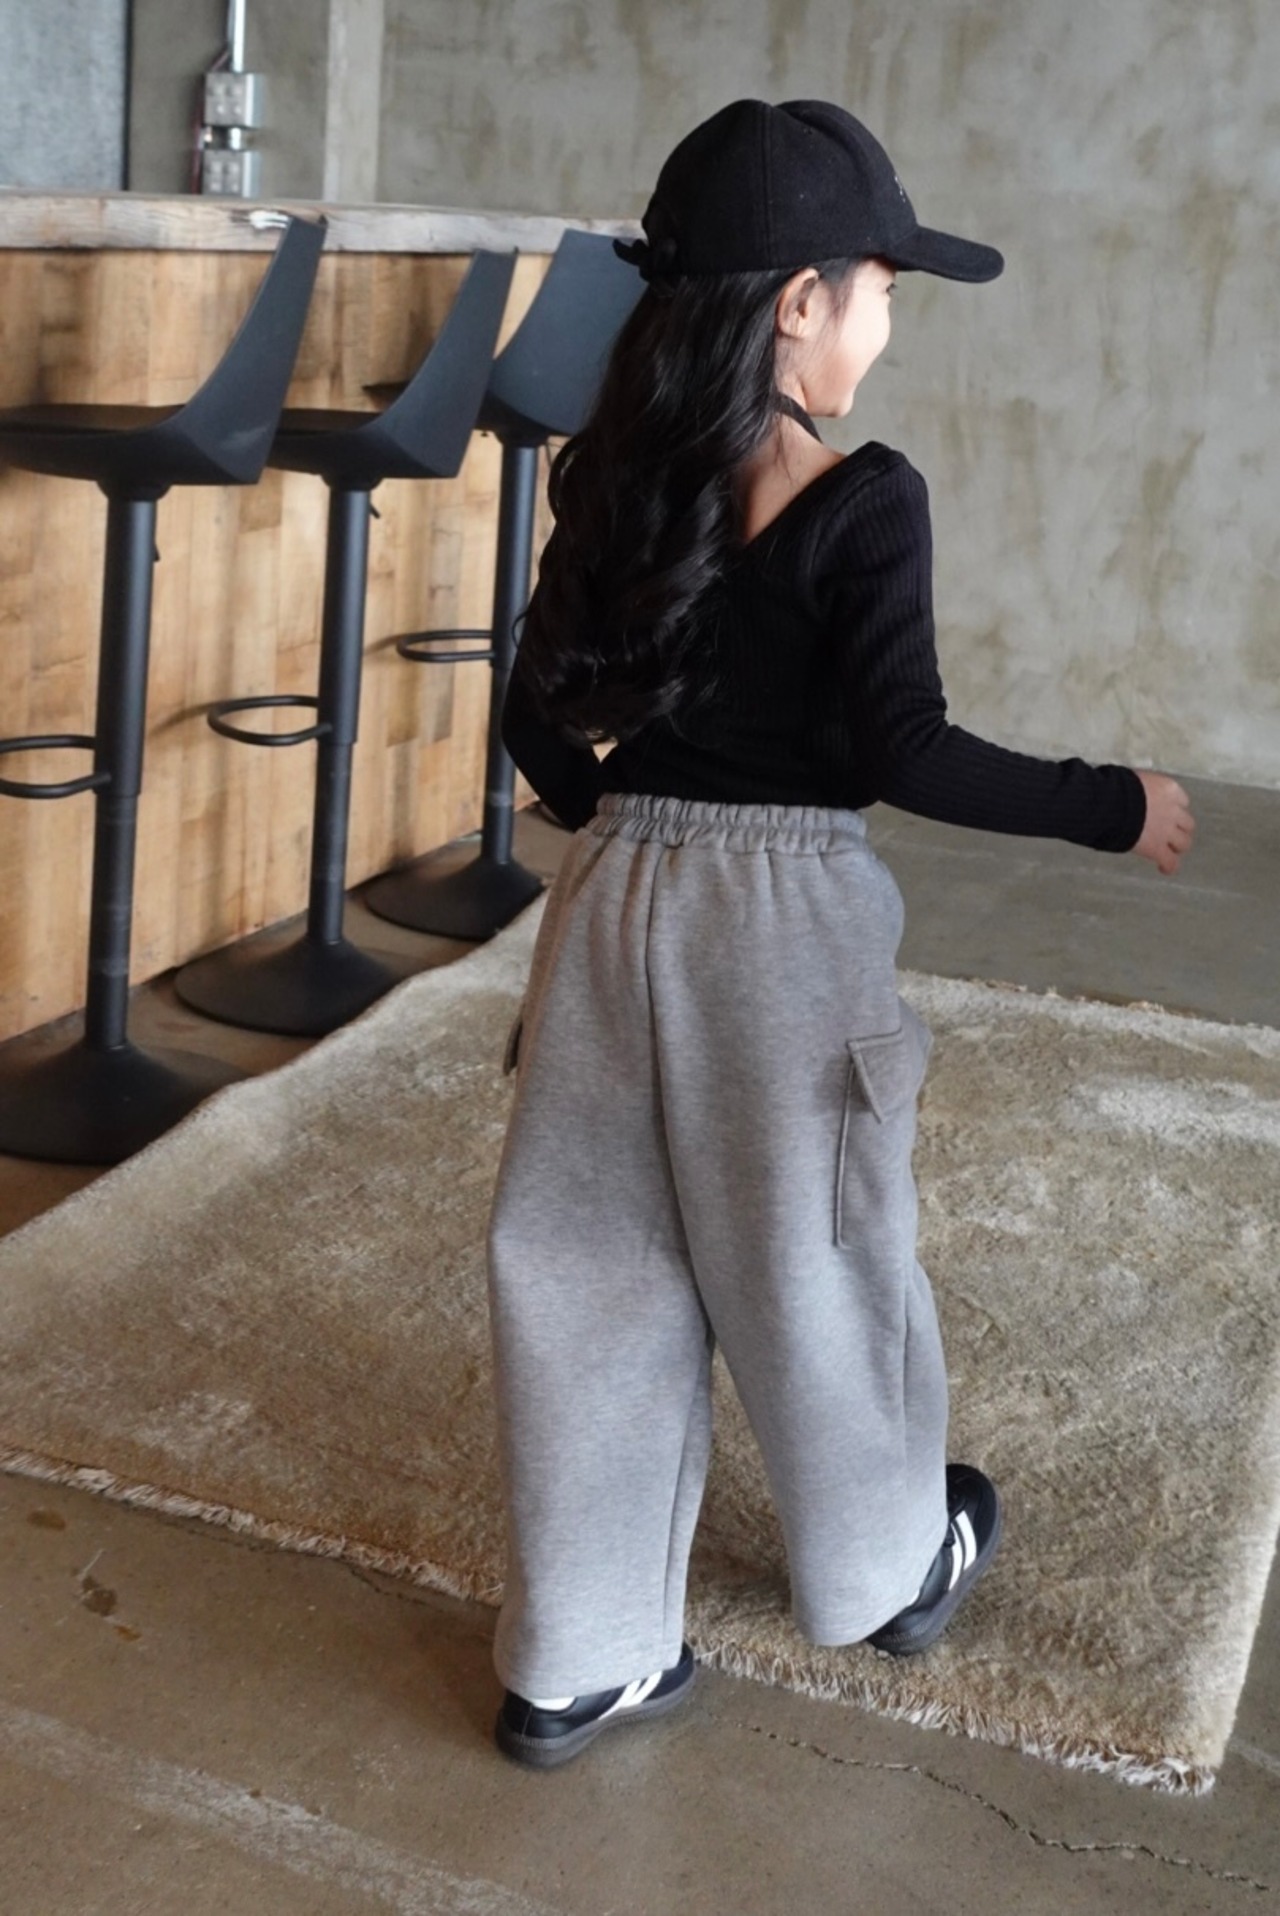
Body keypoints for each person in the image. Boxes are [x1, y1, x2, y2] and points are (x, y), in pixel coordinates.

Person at [484, 98, 1196, 1770]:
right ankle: (887, 1563)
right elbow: (907, 750)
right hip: (782, 921)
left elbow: (530, 712)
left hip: (609, 906)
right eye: (884, 289)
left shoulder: (619, 476)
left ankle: (577, 1657)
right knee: (815, 1249)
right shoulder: (865, 499)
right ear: (800, 301)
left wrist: (615, 833)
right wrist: (1115, 804)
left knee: (588, 1262)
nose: (886, 324)